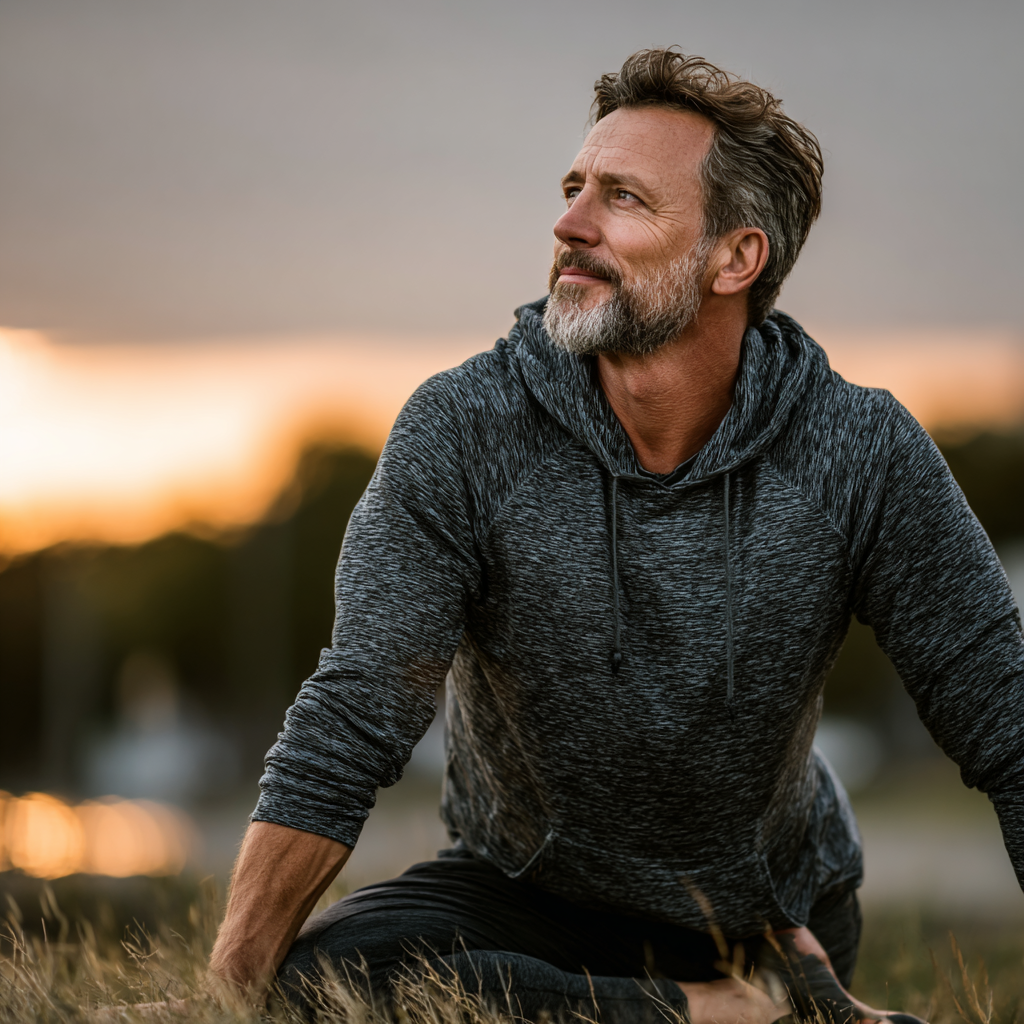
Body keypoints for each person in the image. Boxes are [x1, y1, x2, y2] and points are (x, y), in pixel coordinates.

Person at [208, 48, 1024, 1023]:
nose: (569, 224)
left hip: (770, 915)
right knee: (321, 983)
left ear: (736, 257)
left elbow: (1005, 722)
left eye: (623, 199)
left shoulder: (859, 449)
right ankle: (722, 1012)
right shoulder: (465, 428)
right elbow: (352, 718)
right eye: (572, 187)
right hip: (520, 898)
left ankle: (750, 993)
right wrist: (222, 1001)